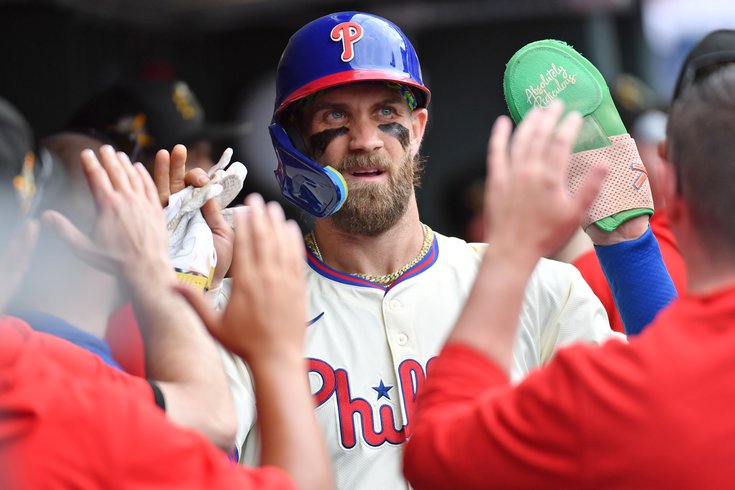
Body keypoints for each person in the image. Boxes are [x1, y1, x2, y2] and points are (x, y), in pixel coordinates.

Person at [226, 11, 670, 490]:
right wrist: (170, 288)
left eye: (386, 114)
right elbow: (181, 457)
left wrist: (631, 249)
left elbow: (668, 416)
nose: (366, 141)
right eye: (336, 116)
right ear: (293, 144)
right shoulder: (242, 311)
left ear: (417, 128)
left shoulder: (542, 288)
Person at [403, 64, 735, 490]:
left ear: (671, 186)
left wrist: (511, 254)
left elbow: (436, 456)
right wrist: (629, 246)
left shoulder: (602, 393)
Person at [0, 98, 332, 489]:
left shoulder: (35, 358)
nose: (203, 176)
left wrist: (184, 282)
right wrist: (276, 355)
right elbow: (210, 428)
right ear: (26, 243)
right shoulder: (40, 378)